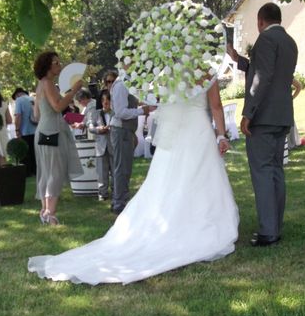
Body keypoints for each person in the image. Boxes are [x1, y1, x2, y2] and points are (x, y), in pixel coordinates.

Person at [28, 75, 236, 284]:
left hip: (177, 136)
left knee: (168, 183)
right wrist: (220, 135)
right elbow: (216, 107)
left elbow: (162, 104)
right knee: (198, 178)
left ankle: (177, 220)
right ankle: (198, 221)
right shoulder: (208, 74)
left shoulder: (172, 72)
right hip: (198, 130)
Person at [238, 2, 298, 247]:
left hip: (263, 117)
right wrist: (239, 60)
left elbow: (261, 78)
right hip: (282, 115)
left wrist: (248, 112)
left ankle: (267, 232)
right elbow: (270, 71)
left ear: (261, 21)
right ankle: (275, 225)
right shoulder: (290, 42)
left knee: (262, 172)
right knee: (275, 171)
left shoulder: (265, 40)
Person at [32, 51, 84, 225]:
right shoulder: (48, 84)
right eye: (55, 62)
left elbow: (36, 115)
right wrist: (73, 90)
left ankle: (45, 211)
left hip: (43, 130)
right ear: (47, 66)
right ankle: (50, 213)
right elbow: (58, 106)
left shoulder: (41, 84)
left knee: (47, 172)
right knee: (55, 172)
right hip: (52, 131)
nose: (59, 65)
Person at [106, 69, 149, 214]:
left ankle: (120, 199)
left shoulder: (126, 84)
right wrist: (142, 111)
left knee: (125, 166)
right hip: (121, 130)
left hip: (126, 130)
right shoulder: (121, 85)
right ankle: (119, 202)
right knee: (121, 167)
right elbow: (121, 112)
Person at [87, 90, 113, 201]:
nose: (105, 103)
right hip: (101, 146)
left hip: (113, 145)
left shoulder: (116, 113)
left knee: (115, 171)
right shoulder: (96, 113)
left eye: (107, 100)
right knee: (101, 172)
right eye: (103, 100)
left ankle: (116, 191)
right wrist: (98, 129)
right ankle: (102, 193)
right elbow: (90, 126)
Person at [12, 87, 38, 177]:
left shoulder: (19, 100)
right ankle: (36, 171)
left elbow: (18, 116)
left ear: (17, 94)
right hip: (36, 129)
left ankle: (27, 172)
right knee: (35, 153)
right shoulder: (33, 99)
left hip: (25, 130)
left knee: (25, 153)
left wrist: (17, 129)